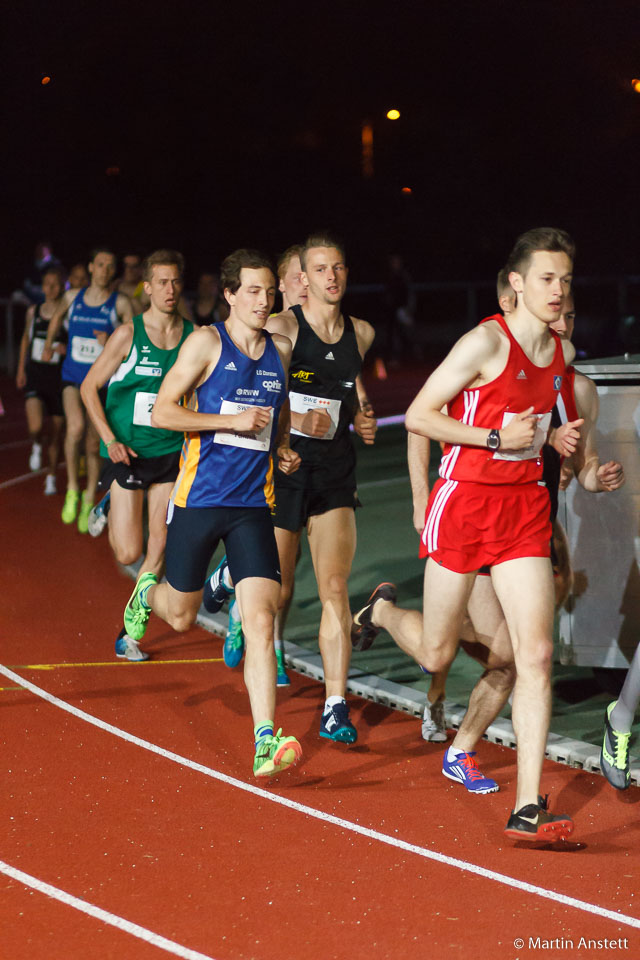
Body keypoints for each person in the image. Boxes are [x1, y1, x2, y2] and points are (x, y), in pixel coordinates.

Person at [353, 227, 582, 841]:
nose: (557, 290)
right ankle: (379, 611)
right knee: (437, 652)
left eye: (564, 279)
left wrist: (564, 449)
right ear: (516, 283)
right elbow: (420, 417)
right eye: (545, 279)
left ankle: (527, 805)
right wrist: (490, 440)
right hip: (465, 506)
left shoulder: (560, 354)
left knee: (532, 656)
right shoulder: (484, 341)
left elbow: (550, 427)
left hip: (524, 512)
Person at [122, 248, 303, 778]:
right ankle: (146, 588)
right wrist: (229, 423)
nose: (263, 300)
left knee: (262, 621)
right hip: (199, 499)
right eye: (251, 290)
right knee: (180, 615)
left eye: (269, 291)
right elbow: (162, 409)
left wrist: (284, 443)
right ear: (227, 294)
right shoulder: (206, 342)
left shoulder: (281, 349)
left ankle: (265, 739)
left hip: (253, 506)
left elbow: (279, 409)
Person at [264, 234, 376, 744]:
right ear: (303, 279)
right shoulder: (282, 329)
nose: (331, 276)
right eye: (320, 269)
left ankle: (335, 704)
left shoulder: (363, 332)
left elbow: (351, 386)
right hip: (287, 470)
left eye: (339, 267)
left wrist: (363, 415)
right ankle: (233, 578)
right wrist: (285, 431)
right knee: (278, 588)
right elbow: (255, 385)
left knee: (334, 589)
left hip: (334, 472)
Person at [80, 250, 193, 660]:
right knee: (128, 552)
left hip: (170, 454)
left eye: (176, 281)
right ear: (146, 287)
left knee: (158, 544)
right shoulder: (128, 334)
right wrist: (109, 440)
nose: (169, 289)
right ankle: (110, 498)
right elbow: (88, 387)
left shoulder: (194, 336)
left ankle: (131, 631)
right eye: (161, 282)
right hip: (126, 453)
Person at [42, 249, 133, 531]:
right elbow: (56, 319)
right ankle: (71, 487)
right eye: (101, 264)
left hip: (103, 384)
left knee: (94, 444)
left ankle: (88, 498)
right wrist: (49, 344)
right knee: (75, 428)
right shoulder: (73, 298)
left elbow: (137, 335)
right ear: (91, 267)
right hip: (72, 377)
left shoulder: (120, 303)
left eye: (111, 266)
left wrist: (114, 338)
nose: (106, 270)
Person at [15, 267, 66, 494]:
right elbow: (26, 338)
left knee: (56, 434)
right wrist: (20, 369)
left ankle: (51, 477)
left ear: (62, 285)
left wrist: (64, 348)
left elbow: (74, 344)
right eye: (47, 283)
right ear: (42, 286)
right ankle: (36, 443)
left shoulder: (66, 314)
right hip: (35, 375)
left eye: (56, 283)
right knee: (35, 426)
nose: (51, 288)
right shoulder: (33, 311)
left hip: (58, 380)